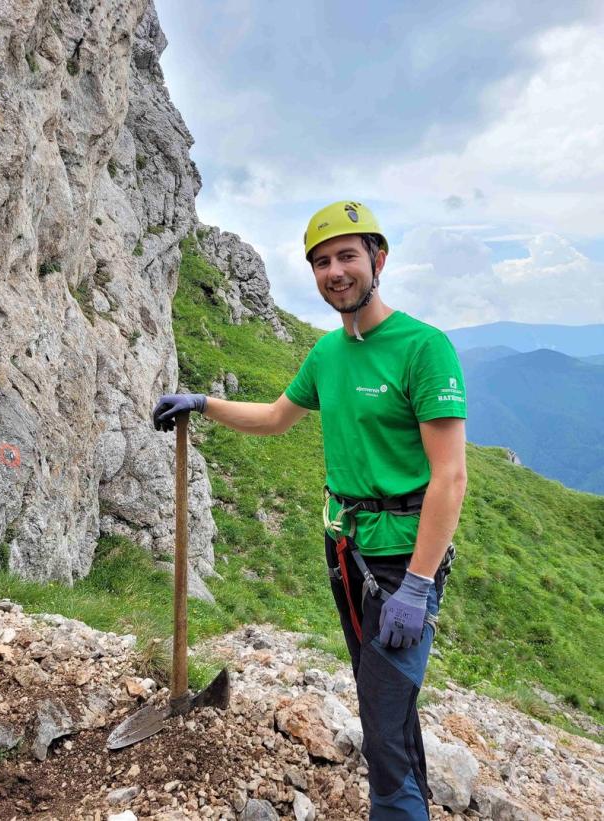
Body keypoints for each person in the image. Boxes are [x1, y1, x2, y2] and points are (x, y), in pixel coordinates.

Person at [153, 201, 468, 820]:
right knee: (383, 707)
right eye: (322, 261)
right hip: (345, 551)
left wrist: (419, 584)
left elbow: (450, 477)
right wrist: (202, 402)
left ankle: (399, 810)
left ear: (378, 259)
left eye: (347, 256)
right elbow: (275, 418)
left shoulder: (423, 348)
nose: (335, 271)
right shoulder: (327, 354)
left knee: (383, 716)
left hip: (403, 560)